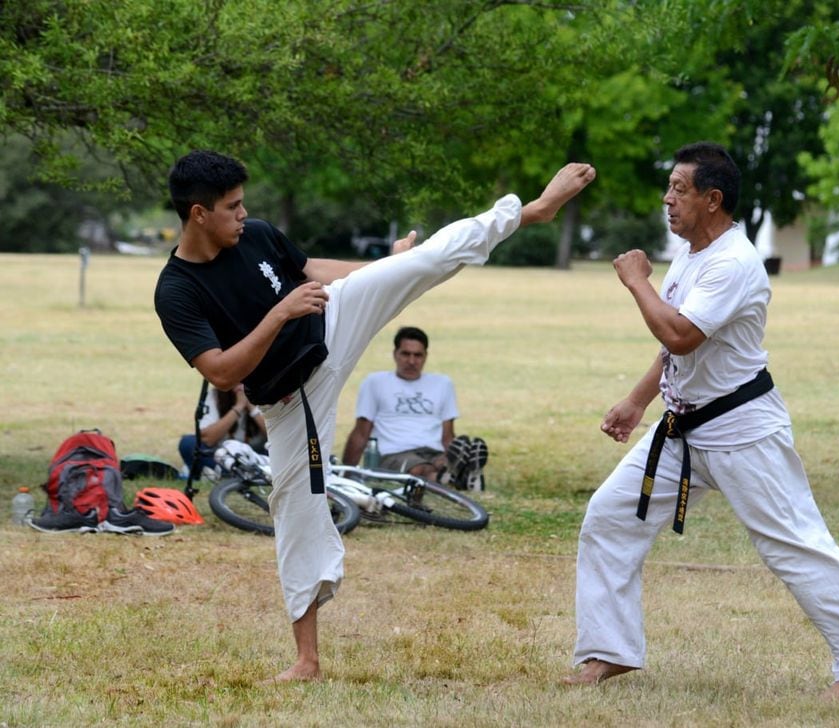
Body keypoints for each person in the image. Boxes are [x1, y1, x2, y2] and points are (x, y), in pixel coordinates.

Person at [154, 149, 595, 682]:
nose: (244, 215)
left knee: (424, 259)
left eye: (243, 204)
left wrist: (384, 264)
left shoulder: (257, 234)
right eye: (232, 207)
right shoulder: (176, 290)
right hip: (291, 395)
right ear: (198, 213)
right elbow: (222, 372)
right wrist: (279, 313)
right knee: (295, 512)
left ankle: (532, 210)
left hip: (331, 321)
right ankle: (307, 661)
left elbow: (311, 271)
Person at [561, 142, 839, 699]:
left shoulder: (735, 261)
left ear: (713, 199)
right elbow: (676, 349)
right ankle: (610, 650)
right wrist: (637, 402)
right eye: (670, 187)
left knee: (792, 542)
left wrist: (636, 281)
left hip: (742, 429)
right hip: (682, 428)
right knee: (609, 517)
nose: (667, 199)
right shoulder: (694, 254)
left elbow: (680, 332)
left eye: (680, 189)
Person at [341, 326, 489, 489]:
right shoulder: (375, 382)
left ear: (426, 356)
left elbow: (448, 436)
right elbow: (361, 432)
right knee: (420, 470)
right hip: (395, 453)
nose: (411, 361)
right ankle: (459, 478)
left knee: (440, 462)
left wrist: (452, 453)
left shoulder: (442, 384)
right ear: (395, 354)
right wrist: (347, 472)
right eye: (406, 354)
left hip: (433, 450)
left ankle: (454, 472)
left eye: (418, 355)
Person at [178, 383, 267, 476]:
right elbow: (207, 439)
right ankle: (236, 473)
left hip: (255, 455)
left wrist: (252, 408)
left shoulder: (265, 393)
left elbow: (274, 436)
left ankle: (220, 473)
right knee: (188, 443)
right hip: (221, 455)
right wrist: (238, 407)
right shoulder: (216, 395)